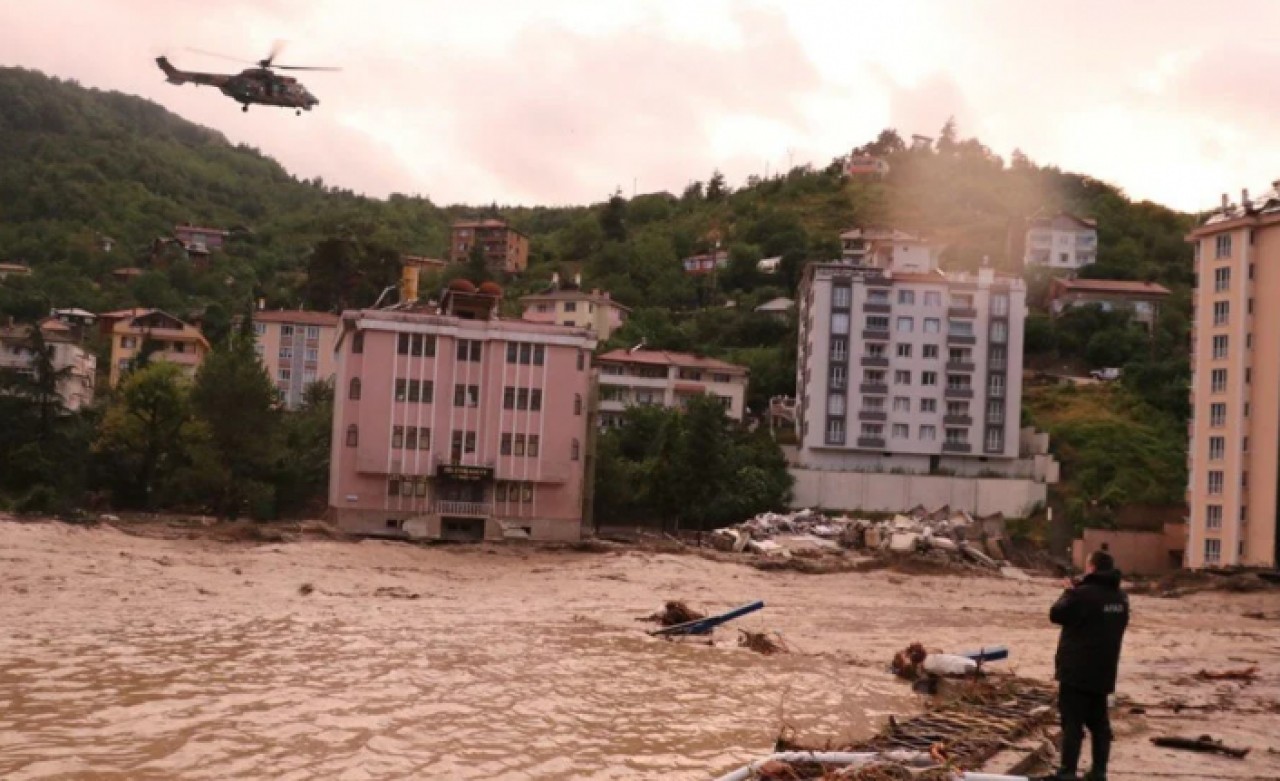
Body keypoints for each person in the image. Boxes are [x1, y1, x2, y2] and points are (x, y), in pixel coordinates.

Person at [1049, 550, 1129, 781]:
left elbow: (1056, 614)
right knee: (1099, 724)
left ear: (1091, 568)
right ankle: (1099, 771)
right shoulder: (1121, 598)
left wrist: (1068, 592)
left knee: (1072, 723)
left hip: (1075, 669)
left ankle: (1067, 772)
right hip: (1104, 669)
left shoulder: (1081, 595)